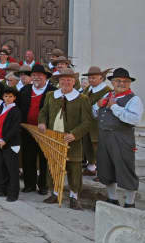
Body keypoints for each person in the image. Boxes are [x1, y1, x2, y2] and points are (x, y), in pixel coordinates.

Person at [37, 67, 92, 210]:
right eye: (62, 80)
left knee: (74, 169)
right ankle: (54, 193)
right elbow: (43, 112)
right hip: (53, 139)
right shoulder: (50, 95)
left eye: (69, 80)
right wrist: (42, 123)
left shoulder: (82, 99)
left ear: (74, 82)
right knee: (53, 167)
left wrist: (74, 134)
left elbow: (87, 122)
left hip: (71, 140)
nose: (65, 82)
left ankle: (74, 197)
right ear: (58, 81)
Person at [94, 67, 142, 208]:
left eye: (125, 81)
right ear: (112, 82)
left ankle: (129, 203)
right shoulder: (107, 96)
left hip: (122, 139)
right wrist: (97, 105)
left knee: (125, 169)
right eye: (118, 81)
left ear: (129, 83)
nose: (121, 83)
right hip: (104, 138)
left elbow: (134, 119)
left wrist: (114, 107)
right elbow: (94, 113)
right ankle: (112, 199)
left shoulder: (134, 99)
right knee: (106, 168)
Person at [16, 64, 54, 195]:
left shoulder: (52, 91)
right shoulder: (25, 90)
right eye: (34, 75)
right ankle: (29, 184)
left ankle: (43, 185)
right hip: (27, 130)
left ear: (45, 77)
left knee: (44, 159)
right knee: (28, 158)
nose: (36, 78)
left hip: (45, 132)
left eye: (39, 75)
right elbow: (18, 108)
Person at [0, 85, 22, 202]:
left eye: (10, 96)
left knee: (12, 170)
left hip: (11, 143)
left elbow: (14, 128)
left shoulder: (16, 110)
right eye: (5, 96)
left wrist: (4, 140)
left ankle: (13, 193)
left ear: (14, 98)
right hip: (0, 142)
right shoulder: (2, 107)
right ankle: (3, 189)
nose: (8, 98)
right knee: (3, 168)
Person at [80, 66, 111, 177]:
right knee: (88, 146)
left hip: (99, 124)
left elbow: (101, 108)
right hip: (88, 123)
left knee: (99, 148)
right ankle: (91, 168)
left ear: (101, 78)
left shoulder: (107, 91)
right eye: (90, 78)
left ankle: (103, 173)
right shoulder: (88, 89)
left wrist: (94, 106)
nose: (91, 80)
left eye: (93, 78)